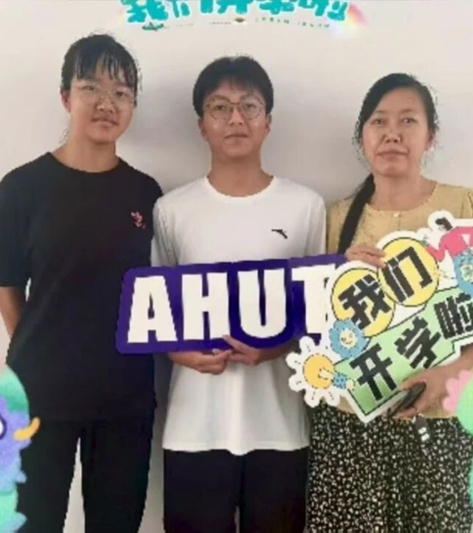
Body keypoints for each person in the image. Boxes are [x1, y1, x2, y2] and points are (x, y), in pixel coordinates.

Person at [306, 73, 473, 532]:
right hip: (350, 422)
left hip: (440, 419)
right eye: (379, 121)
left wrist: (452, 371)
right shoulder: (335, 217)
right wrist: (336, 275)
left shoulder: (461, 205)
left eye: (407, 121)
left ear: (429, 135)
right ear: (362, 136)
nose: (392, 134)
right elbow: (310, 322)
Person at [0, 33, 162, 532]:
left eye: (122, 93)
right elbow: (6, 286)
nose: (108, 103)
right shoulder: (22, 188)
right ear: (66, 97)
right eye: (92, 88)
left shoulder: (146, 193)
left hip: (125, 396)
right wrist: (40, 359)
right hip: (40, 395)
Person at [151, 55, 326, 533]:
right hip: (194, 428)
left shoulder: (305, 206)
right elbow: (155, 315)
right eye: (220, 107)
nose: (235, 119)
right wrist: (179, 353)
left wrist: (279, 347)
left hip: (280, 428)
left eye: (249, 106)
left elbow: (320, 315)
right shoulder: (172, 210)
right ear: (201, 125)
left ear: (268, 121)